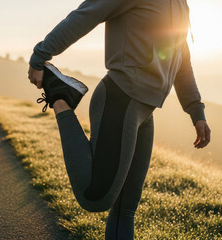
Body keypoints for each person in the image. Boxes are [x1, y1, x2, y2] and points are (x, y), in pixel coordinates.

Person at [27, 0, 211, 239]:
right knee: (95, 197)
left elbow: (181, 55)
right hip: (120, 97)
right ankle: (60, 98)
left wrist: (196, 110)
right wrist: (40, 55)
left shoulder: (180, 3)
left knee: (126, 208)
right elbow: (86, 14)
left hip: (145, 111)